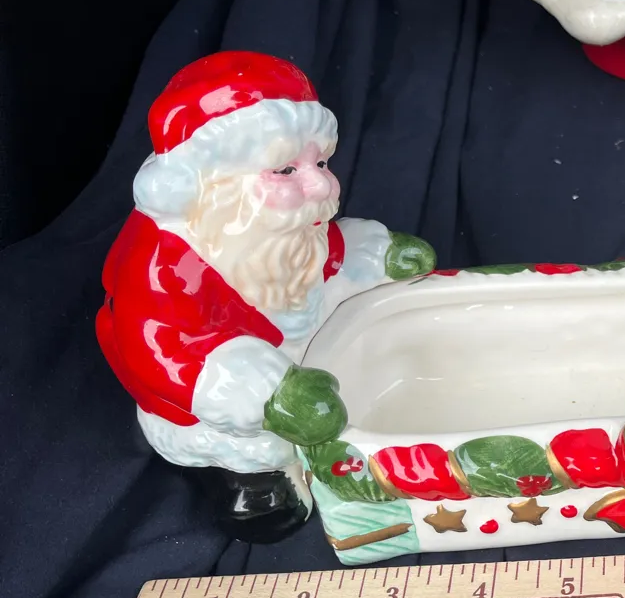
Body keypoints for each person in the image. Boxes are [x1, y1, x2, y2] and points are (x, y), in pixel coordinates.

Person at [96, 51, 436, 540]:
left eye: (320, 162)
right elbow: (165, 347)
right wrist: (269, 394)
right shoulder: (165, 263)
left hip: (302, 336)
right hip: (215, 389)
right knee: (257, 445)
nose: (320, 183)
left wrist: (370, 257)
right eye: (285, 170)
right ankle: (258, 489)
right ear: (214, 185)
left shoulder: (269, 230)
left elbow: (316, 252)